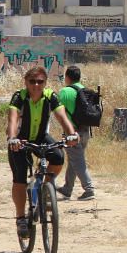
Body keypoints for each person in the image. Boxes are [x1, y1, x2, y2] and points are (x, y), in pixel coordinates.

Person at [6, 65, 79, 239]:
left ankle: (41, 187)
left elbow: (62, 117)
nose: (36, 85)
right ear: (26, 82)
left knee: (58, 157)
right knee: (20, 179)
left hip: (40, 138)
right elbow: (12, 120)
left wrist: (72, 134)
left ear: (45, 83)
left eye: (40, 82)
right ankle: (20, 218)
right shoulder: (19, 97)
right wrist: (12, 138)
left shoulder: (50, 96)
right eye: (32, 82)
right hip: (20, 140)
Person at [56, 65, 95, 201]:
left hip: (72, 132)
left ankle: (89, 189)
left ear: (67, 77)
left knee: (77, 160)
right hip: (86, 131)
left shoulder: (65, 92)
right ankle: (67, 189)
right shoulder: (85, 90)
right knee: (74, 160)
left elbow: (57, 110)